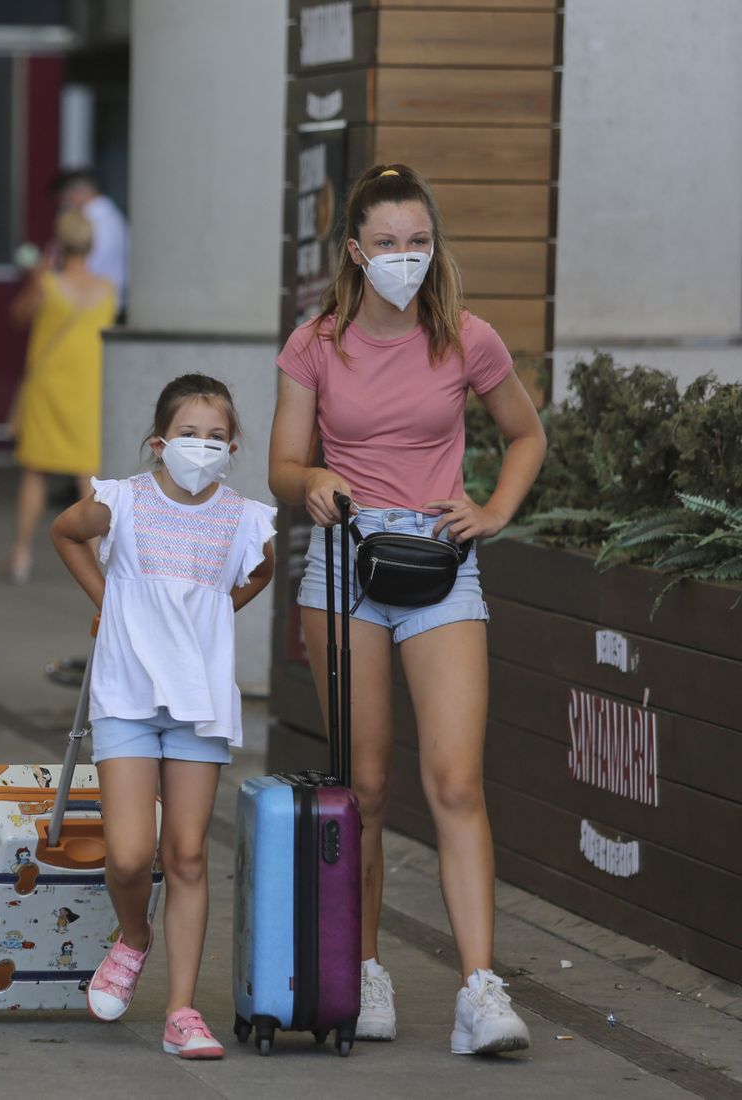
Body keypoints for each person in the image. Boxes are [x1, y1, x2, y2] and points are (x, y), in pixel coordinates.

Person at [269, 164, 547, 1055]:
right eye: (386, 243)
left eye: (417, 241)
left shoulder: (466, 337)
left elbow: (525, 433)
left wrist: (496, 511)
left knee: (456, 780)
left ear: (435, 244)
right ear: (355, 251)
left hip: (442, 563)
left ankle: (480, 991)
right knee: (369, 788)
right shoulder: (315, 342)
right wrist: (311, 477)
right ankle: (363, 970)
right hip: (347, 564)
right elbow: (281, 465)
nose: (404, 257)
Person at [50, 374, 276, 1059]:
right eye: (188, 434)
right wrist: (108, 600)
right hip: (126, 698)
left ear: (233, 447)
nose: (201, 448)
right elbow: (65, 534)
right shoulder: (122, 502)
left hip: (199, 706)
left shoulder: (242, 517)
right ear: (158, 443)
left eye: (215, 438)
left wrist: (213, 614)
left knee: (185, 855)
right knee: (128, 855)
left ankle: (181, 1010)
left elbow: (261, 574)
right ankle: (134, 936)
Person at [5, 210, 116, 583]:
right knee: (88, 473)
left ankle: (21, 554)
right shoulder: (107, 290)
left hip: (48, 387)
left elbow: (18, 317)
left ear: (59, 244)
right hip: (89, 387)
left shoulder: (48, 285)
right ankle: (101, 560)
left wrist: (38, 276)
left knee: (36, 471)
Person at [52, 168, 129, 311]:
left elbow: (90, 266)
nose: (64, 207)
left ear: (76, 193)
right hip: (107, 302)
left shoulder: (94, 223)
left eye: (64, 200)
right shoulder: (114, 219)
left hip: (96, 306)